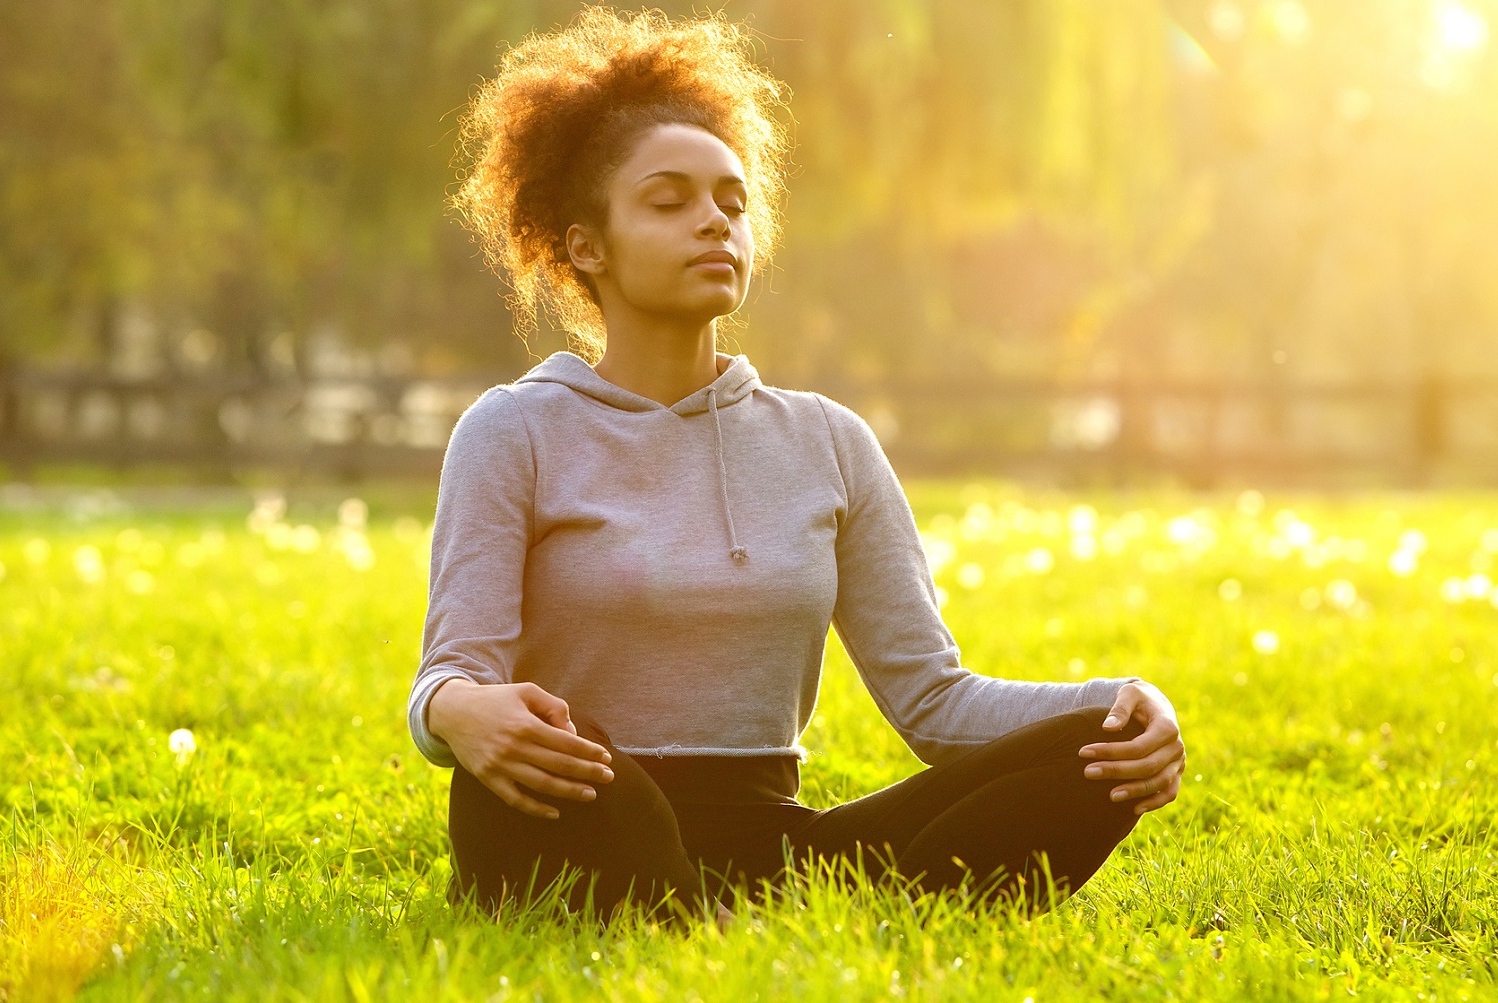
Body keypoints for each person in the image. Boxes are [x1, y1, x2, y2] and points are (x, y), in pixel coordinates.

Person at [407, 5, 1187, 930]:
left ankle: (708, 915)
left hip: (777, 843)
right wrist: (460, 714)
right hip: (584, 804)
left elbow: (934, 700)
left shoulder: (827, 440)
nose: (714, 223)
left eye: (732, 203)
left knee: (1093, 755)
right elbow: (451, 673)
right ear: (587, 245)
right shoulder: (513, 430)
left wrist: (1124, 705)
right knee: (542, 782)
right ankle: (703, 912)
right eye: (670, 202)